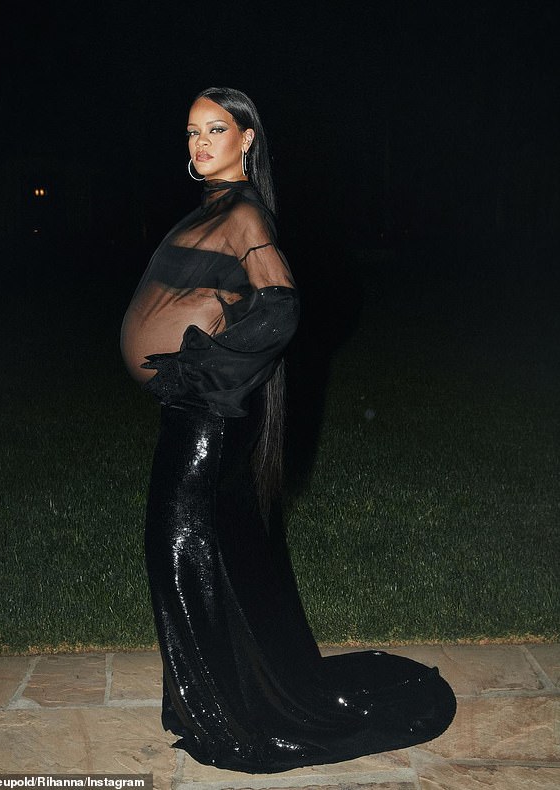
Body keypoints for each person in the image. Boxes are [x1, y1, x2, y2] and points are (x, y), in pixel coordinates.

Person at [120, 86, 456, 774]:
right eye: (191, 131)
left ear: (247, 138)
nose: (199, 142)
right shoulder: (213, 210)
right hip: (196, 411)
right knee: (205, 556)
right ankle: (215, 700)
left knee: (179, 550)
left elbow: (281, 309)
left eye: (215, 129)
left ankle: (225, 715)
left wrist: (206, 367)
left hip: (208, 415)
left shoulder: (243, 212)